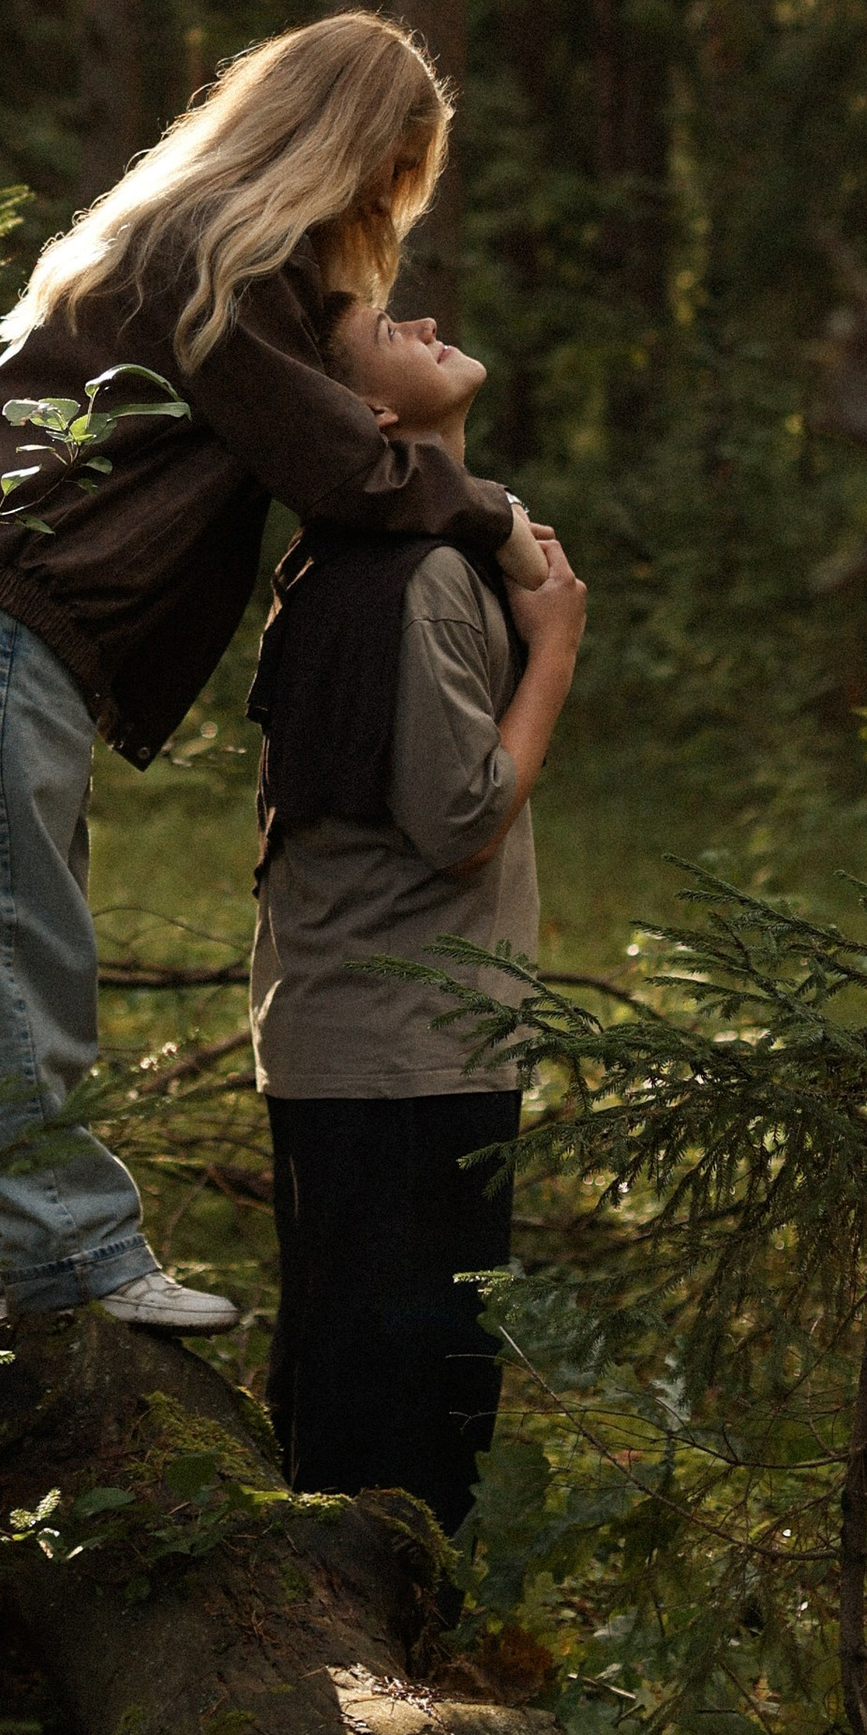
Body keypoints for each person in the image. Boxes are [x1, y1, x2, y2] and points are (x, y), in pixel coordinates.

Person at [0, 13, 520, 1334]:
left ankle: (46, 1258)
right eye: (390, 169)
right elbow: (341, 467)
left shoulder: (221, 253)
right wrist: (493, 518)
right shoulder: (216, 255)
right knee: (10, 944)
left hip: (5, 612)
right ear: (345, 139)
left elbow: (331, 433)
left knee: (20, 935)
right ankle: (66, 1264)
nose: (385, 204)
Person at [244, 292, 585, 1531]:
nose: (427, 318)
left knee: (355, 1401)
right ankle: (371, 1641)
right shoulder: (425, 575)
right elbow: (460, 822)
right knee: (400, 1443)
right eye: (391, 328)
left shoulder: (361, 555)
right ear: (371, 415)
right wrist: (556, 649)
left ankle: (344, 1624)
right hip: (403, 1054)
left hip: (369, 1041)